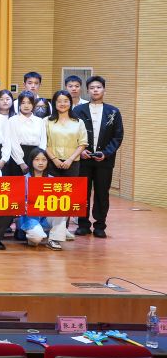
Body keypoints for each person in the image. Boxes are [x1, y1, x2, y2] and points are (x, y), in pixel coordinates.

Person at [73, 76, 124, 238]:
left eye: (98, 87)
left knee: (102, 193)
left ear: (104, 90)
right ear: (87, 91)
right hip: (83, 159)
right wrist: (80, 151)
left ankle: (100, 225)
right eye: (92, 88)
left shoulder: (113, 111)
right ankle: (83, 224)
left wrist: (106, 153)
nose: (95, 90)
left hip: (104, 161)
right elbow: (72, 133)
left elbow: (117, 136)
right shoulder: (78, 110)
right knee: (82, 193)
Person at [18, 148, 62, 250]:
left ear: (48, 162)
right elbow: (18, 202)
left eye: (44, 160)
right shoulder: (24, 179)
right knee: (36, 239)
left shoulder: (52, 180)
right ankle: (35, 235)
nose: (41, 163)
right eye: (37, 159)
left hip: (46, 217)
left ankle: (54, 239)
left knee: (63, 209)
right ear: (31, 161)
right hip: (30, 218)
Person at [5, 92, 47, 176]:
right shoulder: (12, 120)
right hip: (17, 156)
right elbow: (13, 143)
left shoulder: (39, 121)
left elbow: (43, 141)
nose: (26, 106)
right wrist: (21, 162)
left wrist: (40, 157)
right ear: (19, 104)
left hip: (36, 156)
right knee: (18, 183)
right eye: (23, 103)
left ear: (33, 105)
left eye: (29, 103)